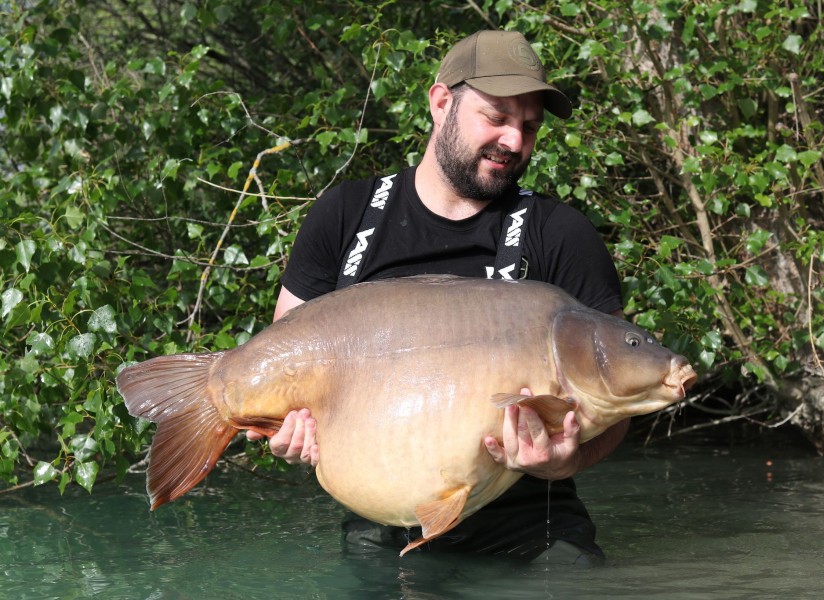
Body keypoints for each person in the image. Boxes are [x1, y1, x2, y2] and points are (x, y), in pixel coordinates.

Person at [247, 29, 630, 565]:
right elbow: (280, 358)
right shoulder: (343, 215)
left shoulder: (560, 233)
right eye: (496, 117)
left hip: (528, 528)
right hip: (380, 524)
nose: (515, 142)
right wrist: (285, 433)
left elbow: (618, 393)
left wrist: (566, 460)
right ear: (441, 101)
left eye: (529, 127)